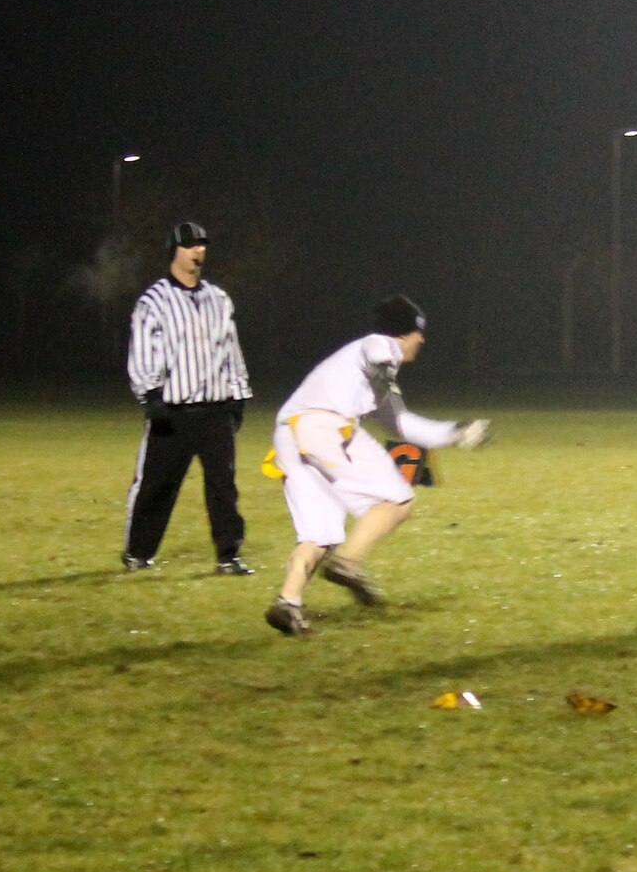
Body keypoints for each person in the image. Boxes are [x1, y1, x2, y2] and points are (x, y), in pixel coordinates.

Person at [262, 295, 491, 636]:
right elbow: (377, 348)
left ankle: (288, 603)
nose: (422, 340)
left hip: (291, 434)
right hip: (324, 428)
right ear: (403, 333)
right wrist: (387, 362)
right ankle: (347, 563)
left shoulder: (372, 372)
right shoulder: (379, 347)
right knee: (399, 499)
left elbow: (402, 426)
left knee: (320, 533)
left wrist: (455, 433)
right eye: (418, 332)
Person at [123, 221, 255, 574]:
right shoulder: (154, 300)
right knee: (156, 485)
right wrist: (150, 396)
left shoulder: (218, 298)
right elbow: (142, 351)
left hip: (214, 409)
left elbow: (231, 350)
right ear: (175, 251)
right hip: (173, 410)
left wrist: (238, 394)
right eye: (191, 245)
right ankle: (138, 552)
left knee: (223, 488)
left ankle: (229, 556)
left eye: (202, 244)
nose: (199, 250)